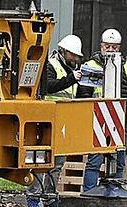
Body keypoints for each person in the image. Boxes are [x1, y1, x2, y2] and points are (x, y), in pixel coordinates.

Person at [77, 28, 127, 191]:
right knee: (95, 161)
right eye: (107, 47)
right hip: (99, 120)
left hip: (122, 119)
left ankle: (116, 193)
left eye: (114, 47)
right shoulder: (91, 66)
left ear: (119, 48)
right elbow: (84, 95)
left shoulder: (126, 66)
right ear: (101, 46)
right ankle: (90, 193)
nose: (111, 50)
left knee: (120, 162)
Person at [27, 34, 84, 207]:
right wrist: (71, 79)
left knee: (58, 163)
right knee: (41, 162)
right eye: (73, 55)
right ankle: (34, 197)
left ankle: (50, 197)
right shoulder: (51, 66)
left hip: (63, 122)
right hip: (47, 122)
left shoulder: (71, 69)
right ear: (64, 52)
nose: (75, 58)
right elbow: (49, 86)